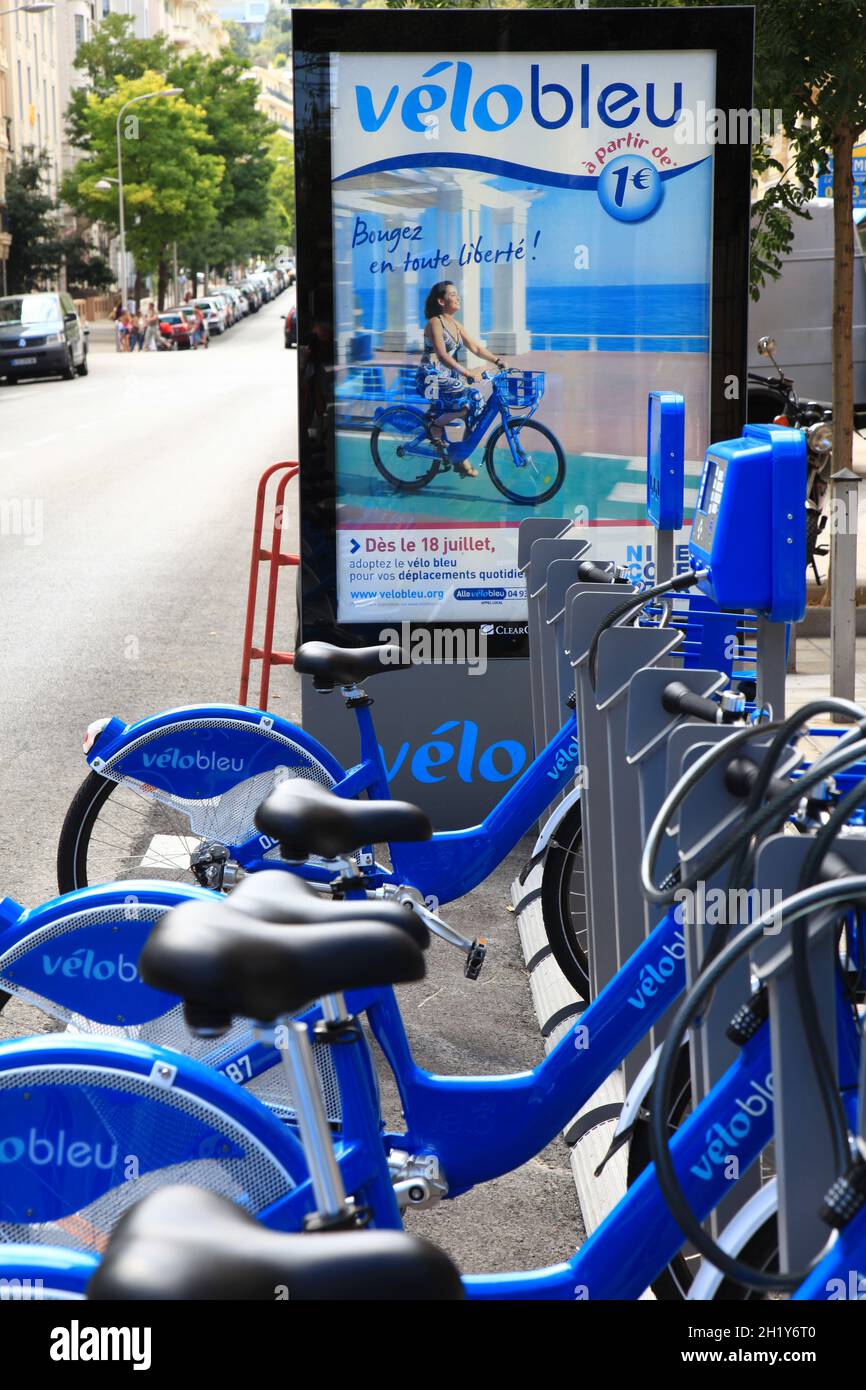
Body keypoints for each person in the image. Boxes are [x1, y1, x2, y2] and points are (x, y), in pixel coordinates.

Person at [418, 280, 507, 478]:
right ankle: (435, 426)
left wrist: (497, 360)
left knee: (477, 402)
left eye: (457, 294)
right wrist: (467, 373)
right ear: (441, 301)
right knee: (466, 403)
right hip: (431, 377)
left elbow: (475, 347)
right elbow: (442, 356)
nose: (457, 297)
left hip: (447, 378)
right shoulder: (435, 323)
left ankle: (460, 456)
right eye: (452, 294)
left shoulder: (456, 326)